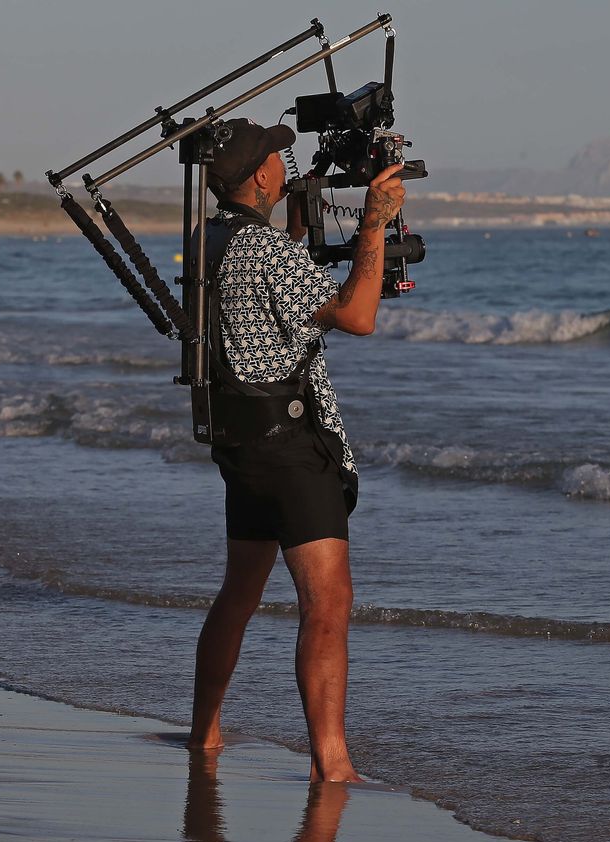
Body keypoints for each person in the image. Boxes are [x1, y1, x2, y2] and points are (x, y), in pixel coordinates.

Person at [186, 119, 405, 782]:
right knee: (327, 601)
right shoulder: (266, 252)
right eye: (277, 157)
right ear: (259, 177)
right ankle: (331, 762)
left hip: (240, 440)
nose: (285, 161)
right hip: (289, 447)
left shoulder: (211, 237)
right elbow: (359, 313)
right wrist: (372, 222)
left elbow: (260, 299)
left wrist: (302, 231)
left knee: (239, 594)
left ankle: (205, 734)